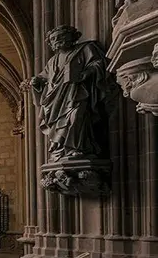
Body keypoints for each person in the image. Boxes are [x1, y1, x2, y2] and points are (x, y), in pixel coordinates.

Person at [31, 26, 114, 162]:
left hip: (77, 93)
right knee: (59, 123)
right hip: (57, 99)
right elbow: (44, 76)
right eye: (53, 39)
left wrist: (86, 73)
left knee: (76, 116)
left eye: (60, 36)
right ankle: (61, 148)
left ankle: (77, 148)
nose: (57, 40)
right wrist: (36, 81)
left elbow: (99, 63)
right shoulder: (52, 61)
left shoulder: (85, 49)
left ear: (72, 37)